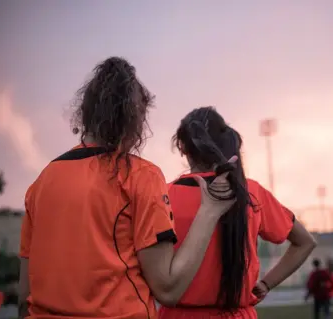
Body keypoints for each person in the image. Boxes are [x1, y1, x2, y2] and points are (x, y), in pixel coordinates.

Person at [18, 57, 237, 319]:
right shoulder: (141, 176)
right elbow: (168, 289)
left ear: (86, 113)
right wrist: (209, 211)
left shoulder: (42, 182)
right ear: (134, 118)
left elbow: (24, 296)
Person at [158, 106, 317, 318]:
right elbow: (305, 242)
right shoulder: (250, 192)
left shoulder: (163, 196)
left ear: (183, 147)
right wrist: (266, 284)